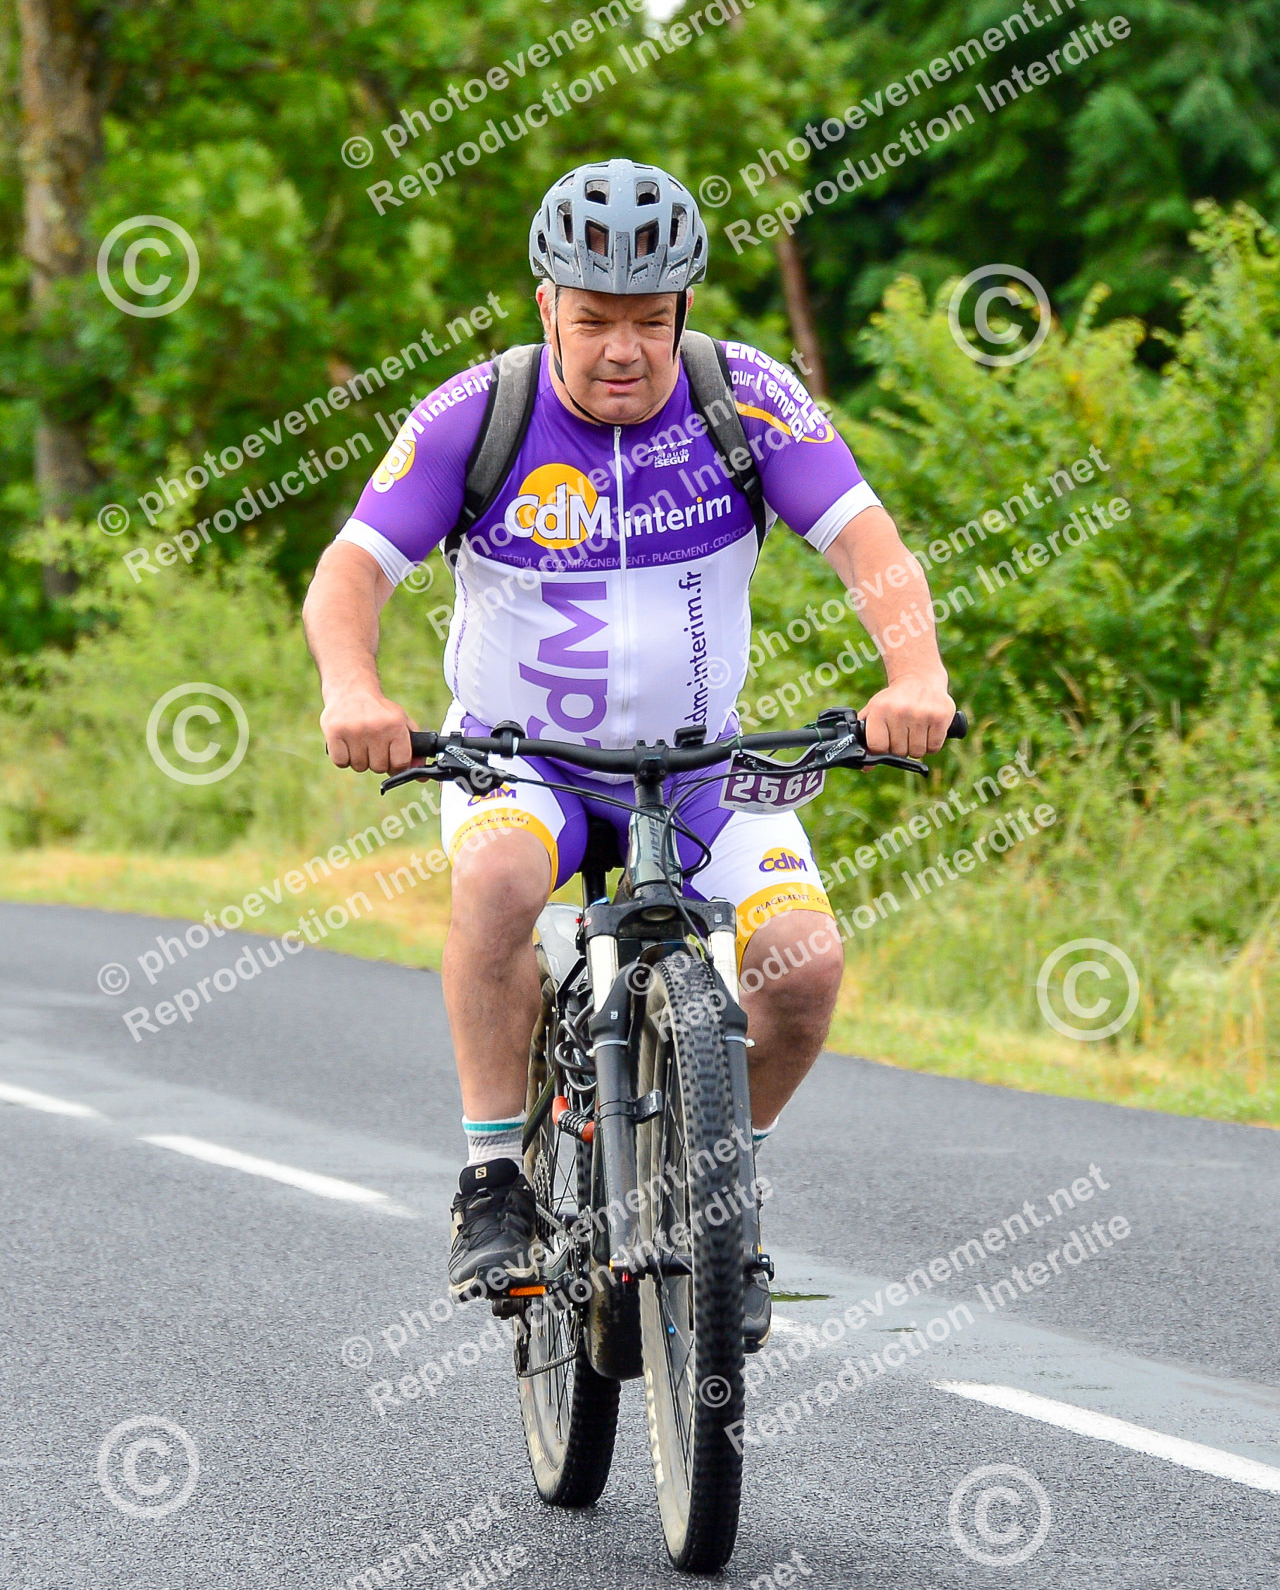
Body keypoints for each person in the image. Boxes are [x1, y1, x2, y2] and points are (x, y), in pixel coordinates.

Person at [303, 158, 954, 1302]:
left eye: (649, 322)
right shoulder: (478, 415)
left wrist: (915, 675)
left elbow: (869, 548)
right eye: (593, 319)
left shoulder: (745, 399)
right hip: (522, 764)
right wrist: (352, 691)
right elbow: (348, 572)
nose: (622, 349)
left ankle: (715, 1200)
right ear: (544, 304)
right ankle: (494, 1179)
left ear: (683, 311)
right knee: (499, 882)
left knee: (803, 971)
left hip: (700, 766)